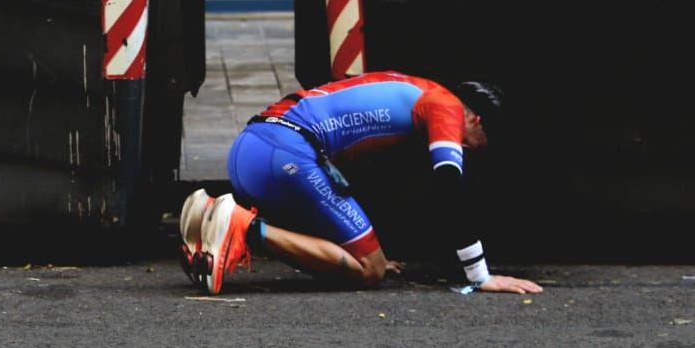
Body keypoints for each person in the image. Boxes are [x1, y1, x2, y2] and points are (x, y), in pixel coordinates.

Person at [177, 71, 542, 296]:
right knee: (371, 270)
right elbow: (450, 187)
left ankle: (207, 222)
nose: (468, 150)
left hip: (253, 147)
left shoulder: (415, 87)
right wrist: (479, 275)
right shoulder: (446, 106)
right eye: (477, 144)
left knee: (358, 255)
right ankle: (244, 227)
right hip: (286, 154)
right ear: (476, 119)